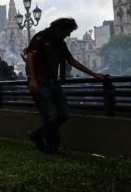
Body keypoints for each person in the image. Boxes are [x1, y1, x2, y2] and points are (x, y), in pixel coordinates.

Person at [24, 18, 106, 153]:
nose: (68, 35)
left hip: (53, 81)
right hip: (40, 81)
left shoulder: (60, 43)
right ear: (59, 29)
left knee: (63, 114)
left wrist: (94, 74)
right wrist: (32, 79)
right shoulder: (41, 37)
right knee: (50, 115)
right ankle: (53, 147)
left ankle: (37, 134)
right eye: (67, 31)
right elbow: (30, 57)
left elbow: (71, 60)